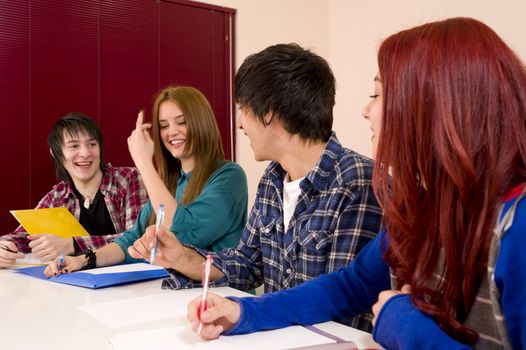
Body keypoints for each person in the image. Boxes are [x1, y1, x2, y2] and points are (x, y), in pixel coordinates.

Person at [185, 18, 526, 349]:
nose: (365, 110)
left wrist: (405, 326)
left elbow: (384, 314)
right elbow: (352, 285)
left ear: (437, 105)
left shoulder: (517, 227)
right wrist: (244, 312)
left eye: (377, 95)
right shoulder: (424, 210)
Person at [128, 44, 383, 332]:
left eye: (242, 110)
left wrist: (248, 314)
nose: (239, 124)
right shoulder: (272, 180)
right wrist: (182, 258)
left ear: (268, 113)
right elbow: (246, 265)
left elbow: (342, 306)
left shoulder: (357, 180)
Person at [45, 86, 248, 274]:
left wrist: (144, 163)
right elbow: (132, 238)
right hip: (171, 294)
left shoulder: (230, 176)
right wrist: (83, 261)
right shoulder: (170, 182)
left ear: (201, 122)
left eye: (182, 122)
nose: (172, 132)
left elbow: (181, 232)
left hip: (218, 298)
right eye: (163, 125)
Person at [0, 113, 147, 268]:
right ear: (56, 153)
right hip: (76, 286)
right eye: (74, 146)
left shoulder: (129, 179)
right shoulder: (58, 195)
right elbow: (24, 235)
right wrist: (5, 246)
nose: (85, 153)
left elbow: (137, 240)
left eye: (92, 144)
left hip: (132, 282)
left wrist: (73, 244)